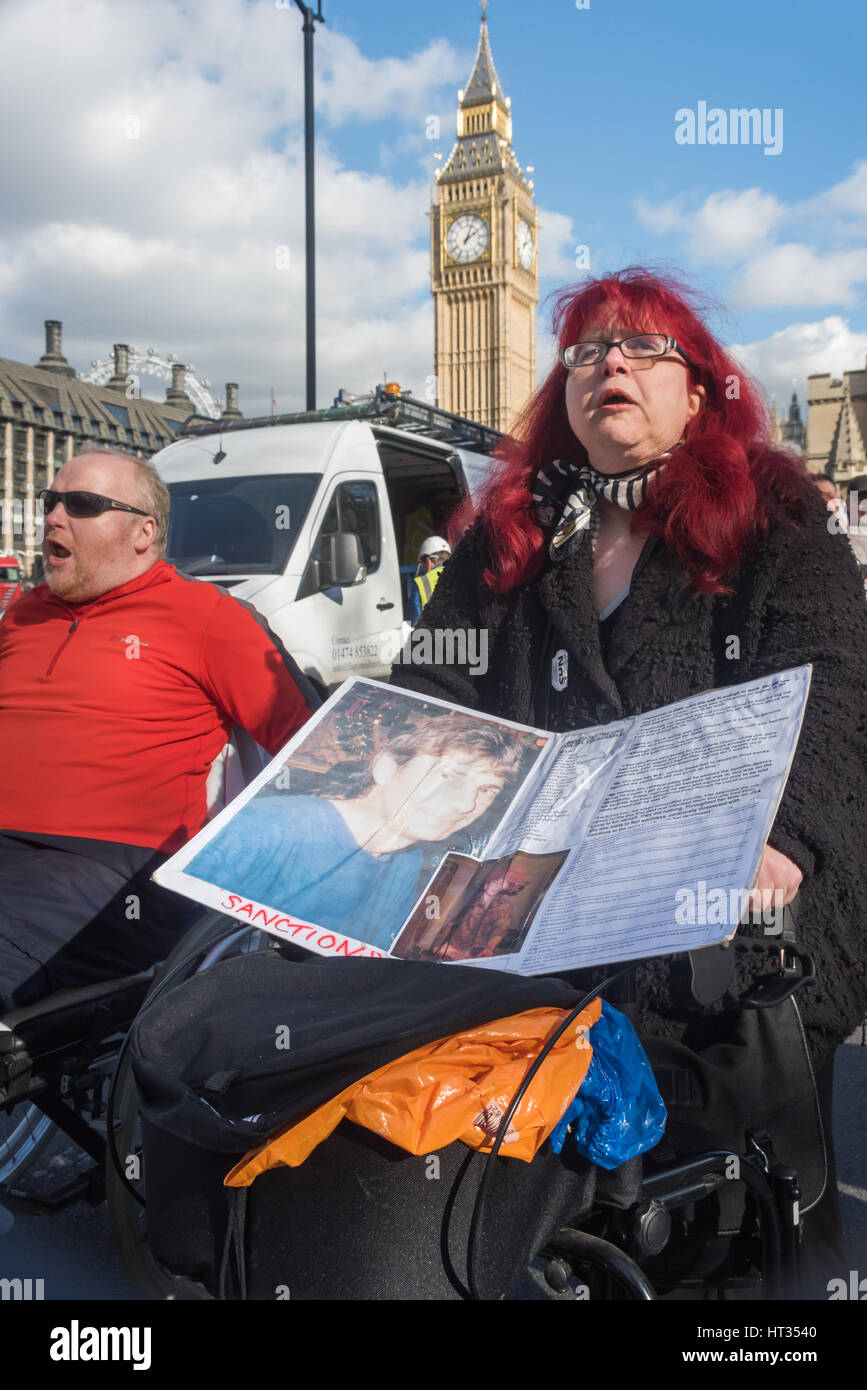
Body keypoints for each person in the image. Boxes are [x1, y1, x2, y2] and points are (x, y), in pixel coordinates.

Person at [390, 267, 867, 1296]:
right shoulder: (513, 533)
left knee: (742, 1233)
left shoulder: (779, 522)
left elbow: (835, 694)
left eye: (642, 348)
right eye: (586, 351)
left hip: (727, 938)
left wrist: (782, 838)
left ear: (698, 391)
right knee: (553, 1212)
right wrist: (397, 781)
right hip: (540, 927)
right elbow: (433, 685)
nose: (609, 362)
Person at [0, 448, 319, 1009]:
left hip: (116, 870)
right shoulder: (24, 614)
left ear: (142, 532)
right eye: (52, 501)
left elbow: (317, 755)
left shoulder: (208, 616)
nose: (54, 516)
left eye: (81, 505)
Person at [187, 713, 523, 951]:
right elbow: (186, 945)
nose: (466, 805)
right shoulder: (267, 827)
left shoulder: (407, 860)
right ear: (386, 767)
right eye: (449, 777)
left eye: (487, 791)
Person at [407, 535, 452, 623]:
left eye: (422, 564)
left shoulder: (421, 584)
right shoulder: (464, 575)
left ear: (428, 561)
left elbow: (414, 620)